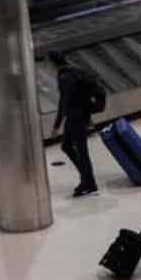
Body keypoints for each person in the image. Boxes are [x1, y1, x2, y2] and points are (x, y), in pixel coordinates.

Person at [49, 52, 98, 197]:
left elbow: (64, 102)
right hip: (79, 117)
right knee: (67, 146)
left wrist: (56, 125)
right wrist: (88, 117)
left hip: (75, 119)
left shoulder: (64, 77)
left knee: (81, 151)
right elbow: (81, 97)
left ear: (53, 63)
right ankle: (87, 178)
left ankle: (89, 182)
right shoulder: (74, 72)